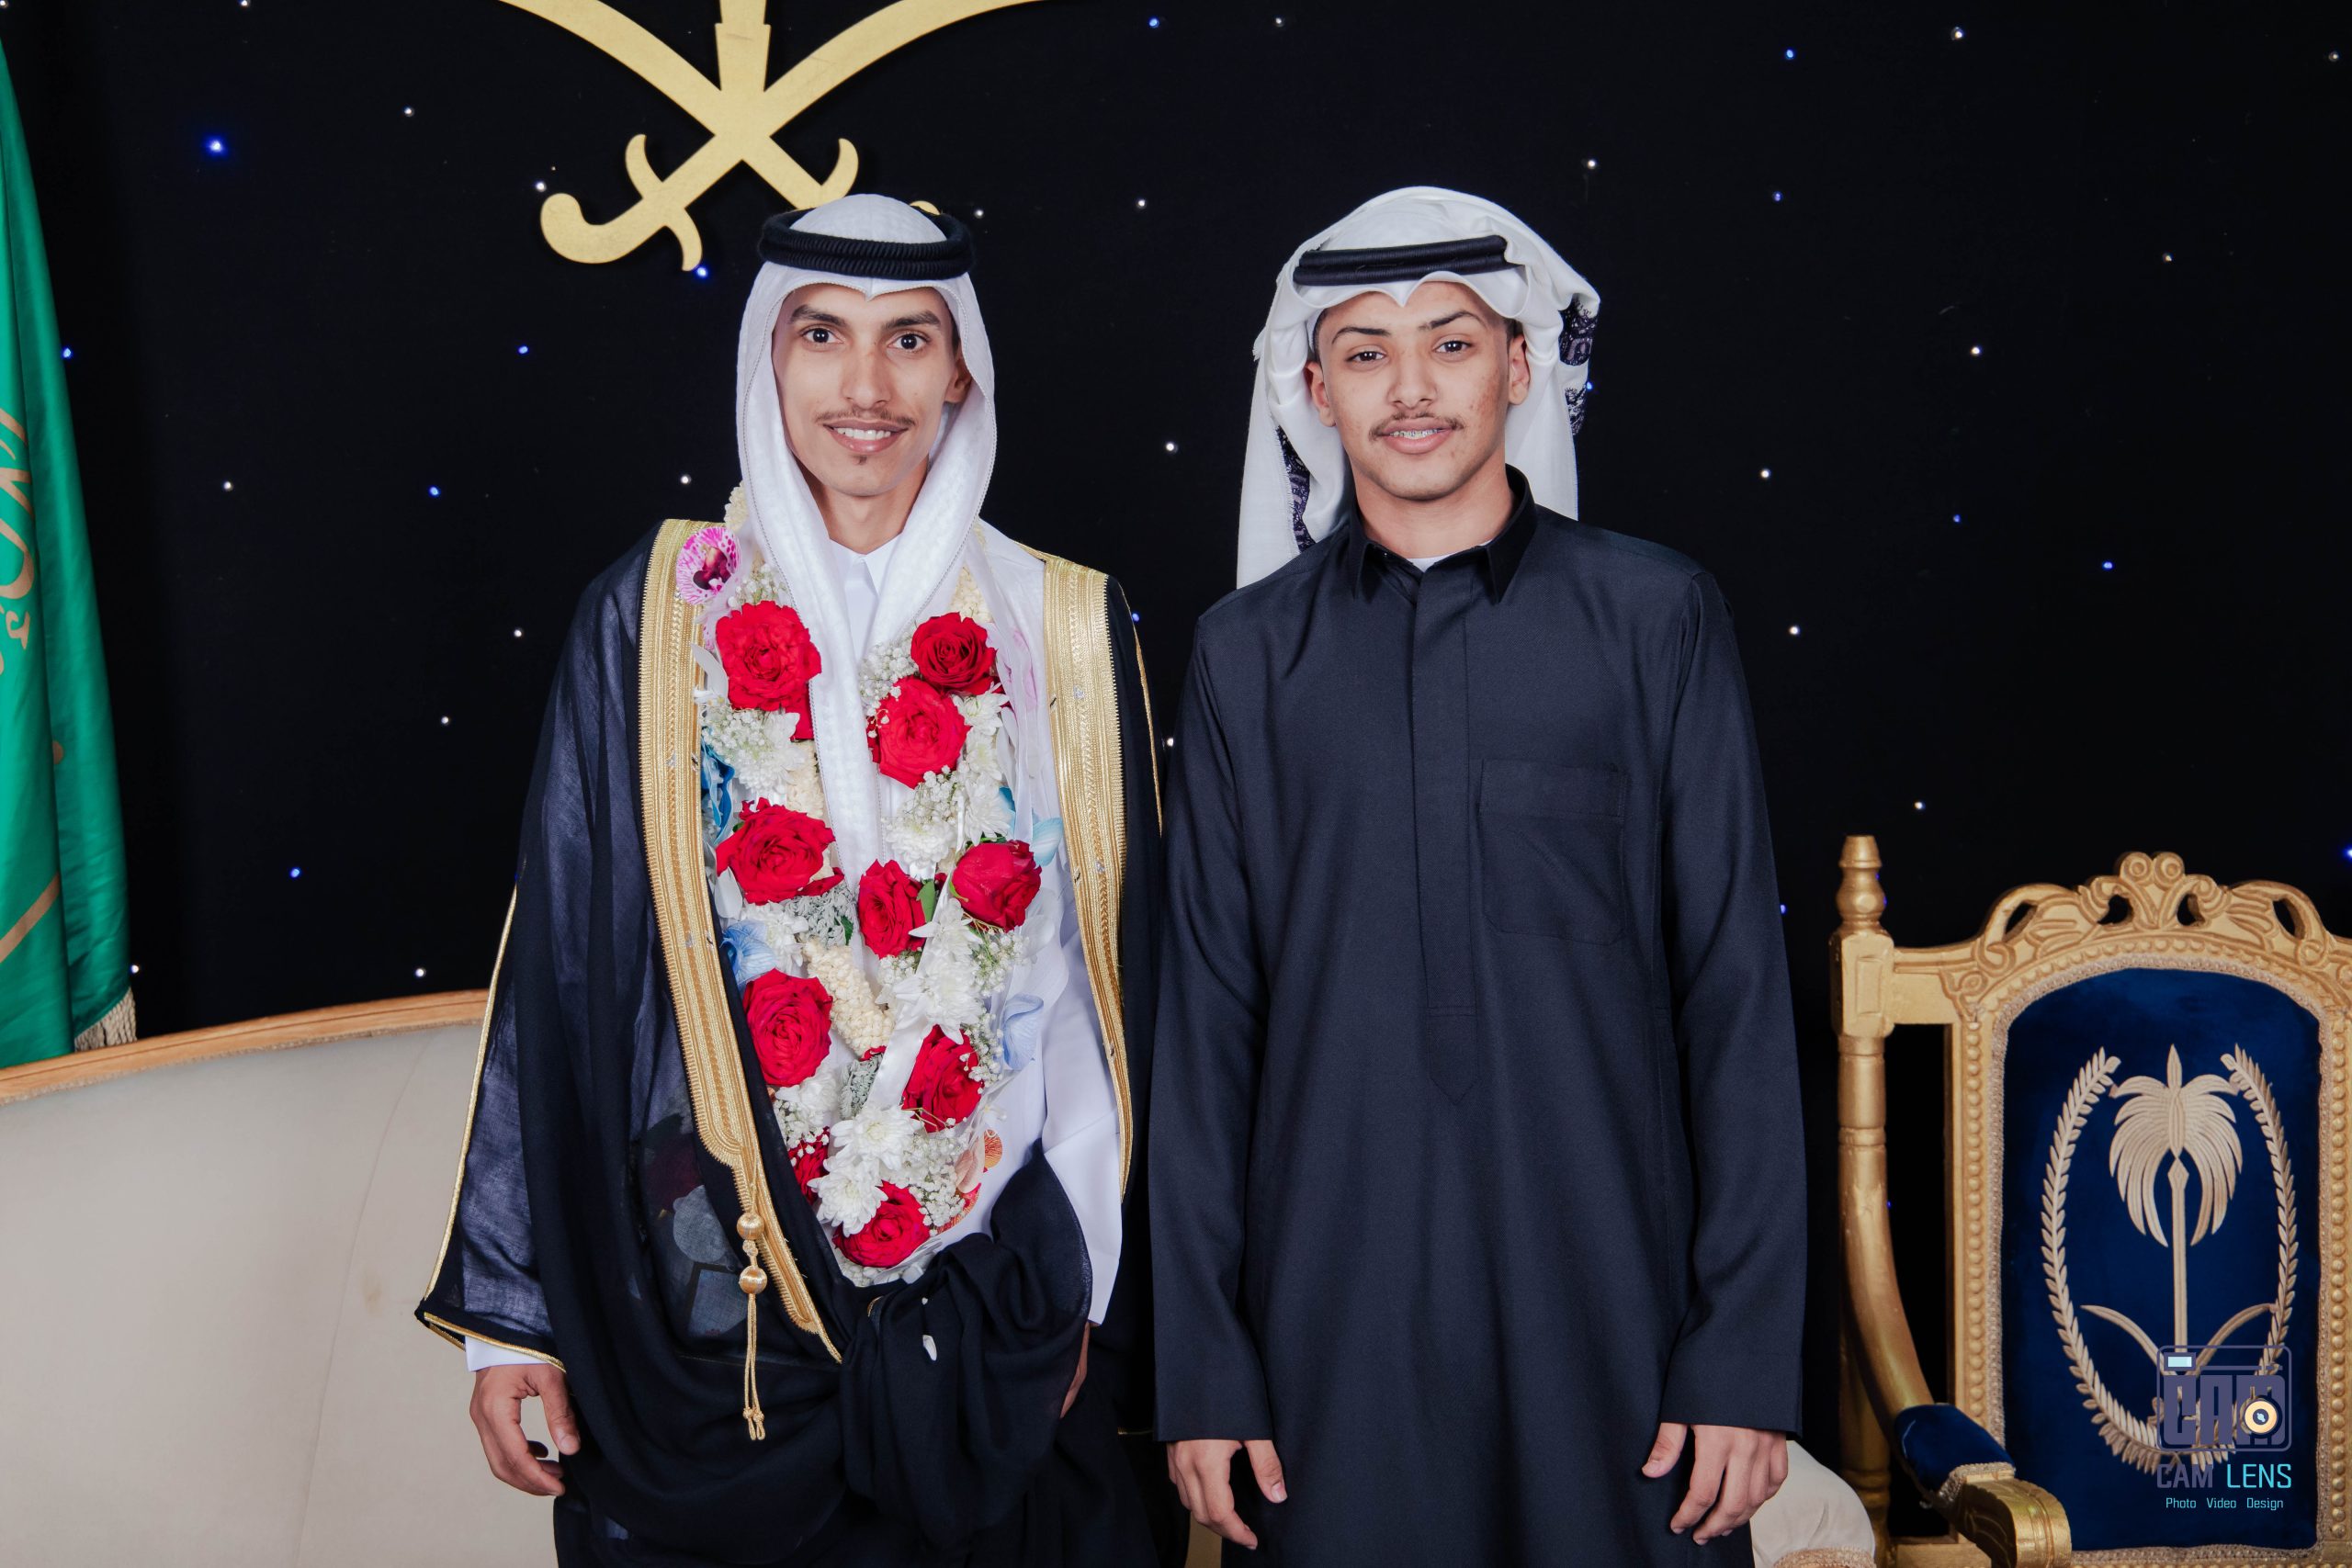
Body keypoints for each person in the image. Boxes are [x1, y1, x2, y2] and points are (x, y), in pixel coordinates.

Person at [418, 195, 1177, 1568]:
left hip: (993, 1299)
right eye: (822, 335)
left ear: (963, 372)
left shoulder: (1056, 621)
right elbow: (565, 967)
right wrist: (512, 1314)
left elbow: (1099, 993)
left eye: (911, 339)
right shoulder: (658, 612)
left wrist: (1074, 1288)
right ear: (767, 358)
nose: (866, 386)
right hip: (718, 1317)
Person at [1151, 186, 1807, 1563]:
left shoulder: (1657, 617)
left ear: (1519, 366)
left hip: (1617, 1316)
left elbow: (1735, 994)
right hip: (1327, 1324)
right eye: (1367, 351)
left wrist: (1741, 1353)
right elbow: (1206, 1022)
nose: (1412, 389)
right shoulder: (1243, 656)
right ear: (1315, 389)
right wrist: (1204, 1362)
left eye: (1451, 344)